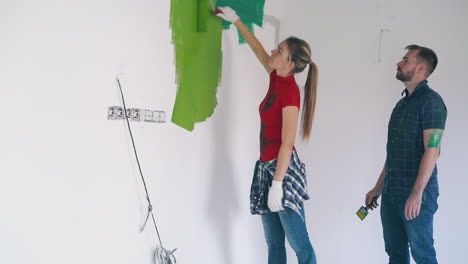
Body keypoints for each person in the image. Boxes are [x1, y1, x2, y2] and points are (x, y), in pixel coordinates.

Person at [216, 6, 318, 264]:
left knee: (300, 246)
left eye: (279, 51)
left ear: (290, 64)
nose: (273, 51)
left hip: (282, 173)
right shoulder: (276, 76)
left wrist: (277, 184)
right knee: (274, 244)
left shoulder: (291, 95)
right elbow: (257, 48)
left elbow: (287, 144)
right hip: (266, 169)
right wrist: (236, 20)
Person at [365, 45, 447, 264]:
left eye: (405, 60)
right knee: (396, 254)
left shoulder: (432, 103)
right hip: (392, 193)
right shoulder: (401, 105)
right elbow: (393, 154)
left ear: (420, 68)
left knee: (423, 255)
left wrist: (417, 194)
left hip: (416, 196)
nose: (399, 63)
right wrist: (377, 188)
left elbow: (433, 150)